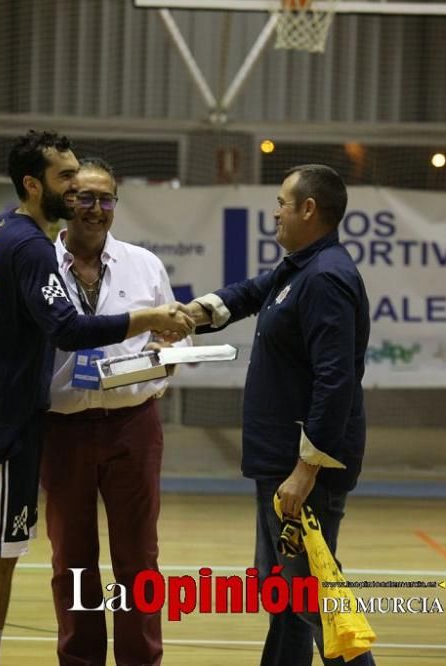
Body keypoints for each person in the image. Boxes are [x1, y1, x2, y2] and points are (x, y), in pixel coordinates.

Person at [0, 131, 193, 666]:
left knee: (139, 560)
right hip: (59, 429)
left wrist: (163, 350)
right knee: (72, 562)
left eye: (105, 198)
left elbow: (175, 338)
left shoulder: (144, 264)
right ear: (58, 196)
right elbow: (11, 312)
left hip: (133, 424)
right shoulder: (35, 254)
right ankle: (80, 661)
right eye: (81, 194)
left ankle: (140, 661)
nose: (94, 207)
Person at [178, 165, 375, 666]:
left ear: (309, 209)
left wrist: (306, 470)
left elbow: (337, 382)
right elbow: (247, 293)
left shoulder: (327, 277)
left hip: (303, 472)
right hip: (280, 464)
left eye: (283, 202)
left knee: (312, 599)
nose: (275, 212)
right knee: (285, 595)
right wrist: (187, 315)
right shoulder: (301, 268)